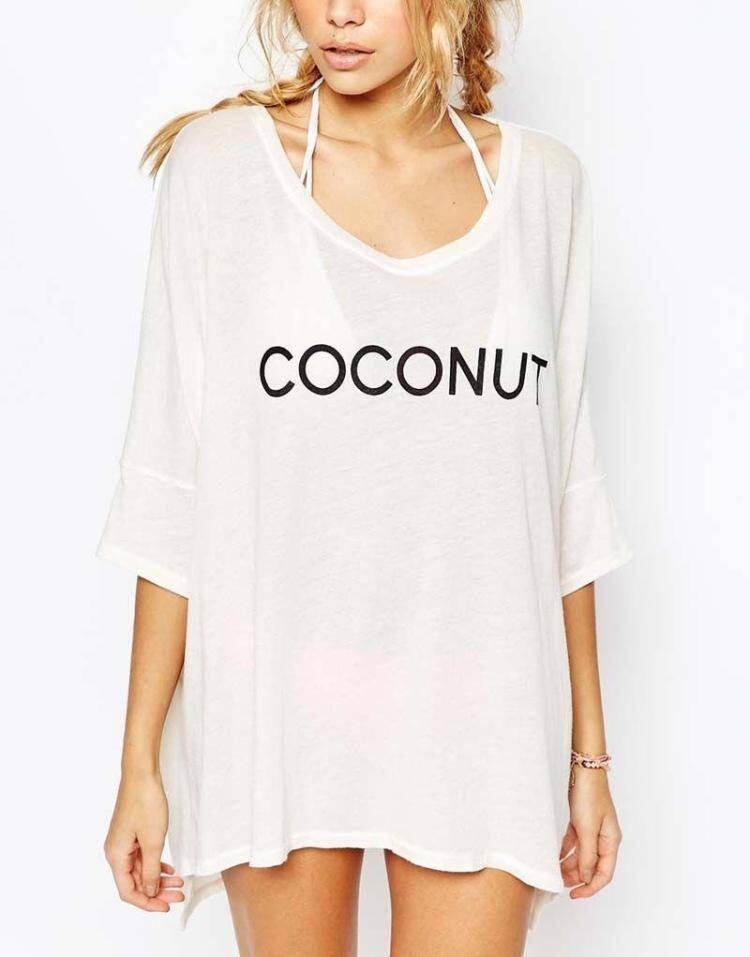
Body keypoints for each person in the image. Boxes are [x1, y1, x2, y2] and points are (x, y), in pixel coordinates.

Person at [98, 1, 632, 954]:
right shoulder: (220, 172)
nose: (339, 13)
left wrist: (589, 757)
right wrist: (139, 760)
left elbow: (563, 499)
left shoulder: (545, 188)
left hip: (485, 700)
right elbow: (172, 482)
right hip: (279, 699)